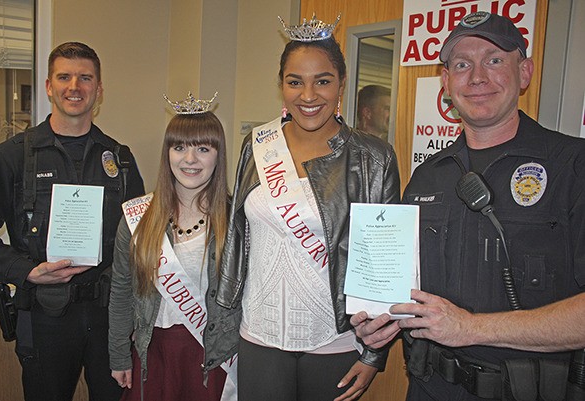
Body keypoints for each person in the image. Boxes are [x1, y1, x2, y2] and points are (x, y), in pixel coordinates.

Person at [351, 11, 585, 400]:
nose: (477, 77)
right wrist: (377, 319)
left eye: (494, 60)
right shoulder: (427, 176)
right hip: (430, 386)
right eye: (462, 64)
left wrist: (471, 328)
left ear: (524, 72)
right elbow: (405, 286)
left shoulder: (572, 166)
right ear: (446, 82)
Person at [203, 14, 401, 401]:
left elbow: (384, 261)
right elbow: (239, 237)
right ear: (282, 86)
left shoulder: (372, 158)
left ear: (341, 84)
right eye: (295, 82)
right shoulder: (256, 145)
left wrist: (374, 353)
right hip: (258, 332)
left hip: (333, 337)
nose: (308, 96)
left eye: (322, 81)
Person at [0, 42, 145, 401]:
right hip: (44, 315)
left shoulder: (120, 161)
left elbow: (141, 240)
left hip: (108, 317)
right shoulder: (13, 156)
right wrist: (25, 271)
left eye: (85, 78)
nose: (74, 86)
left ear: (98, 90)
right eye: (64, 77)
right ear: (49, 86)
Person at [108, 93, 236, 401]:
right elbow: (121, 291)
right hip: (153, 352)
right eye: (179, 147)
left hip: (213, 355)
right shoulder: (137, 217)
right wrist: (118, 355)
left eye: (202, 149)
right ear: (167, 153)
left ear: (218, 155)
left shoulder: (236, 221)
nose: (189, 159)